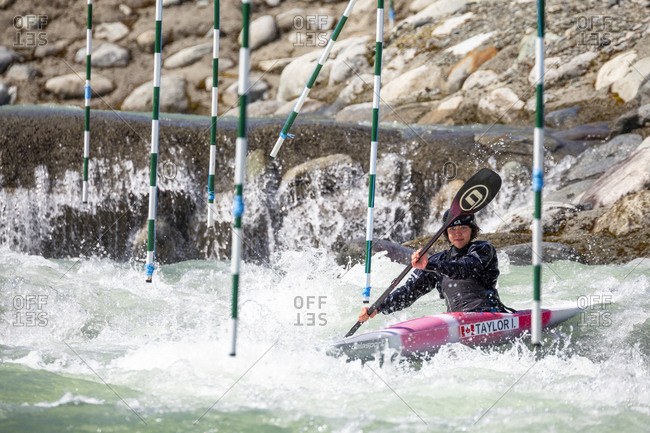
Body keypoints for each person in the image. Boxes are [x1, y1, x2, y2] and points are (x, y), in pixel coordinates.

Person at [359, 210, 513, 323]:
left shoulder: (483, 249)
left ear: (472, 230)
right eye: (452, 229)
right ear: (446, 233)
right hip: (456, 322)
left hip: (491, 318)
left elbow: (464, 269)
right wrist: (378, 307)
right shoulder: (439, 260)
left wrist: (429, 264)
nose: (458, 233)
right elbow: (410, 291)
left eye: (463, 228)